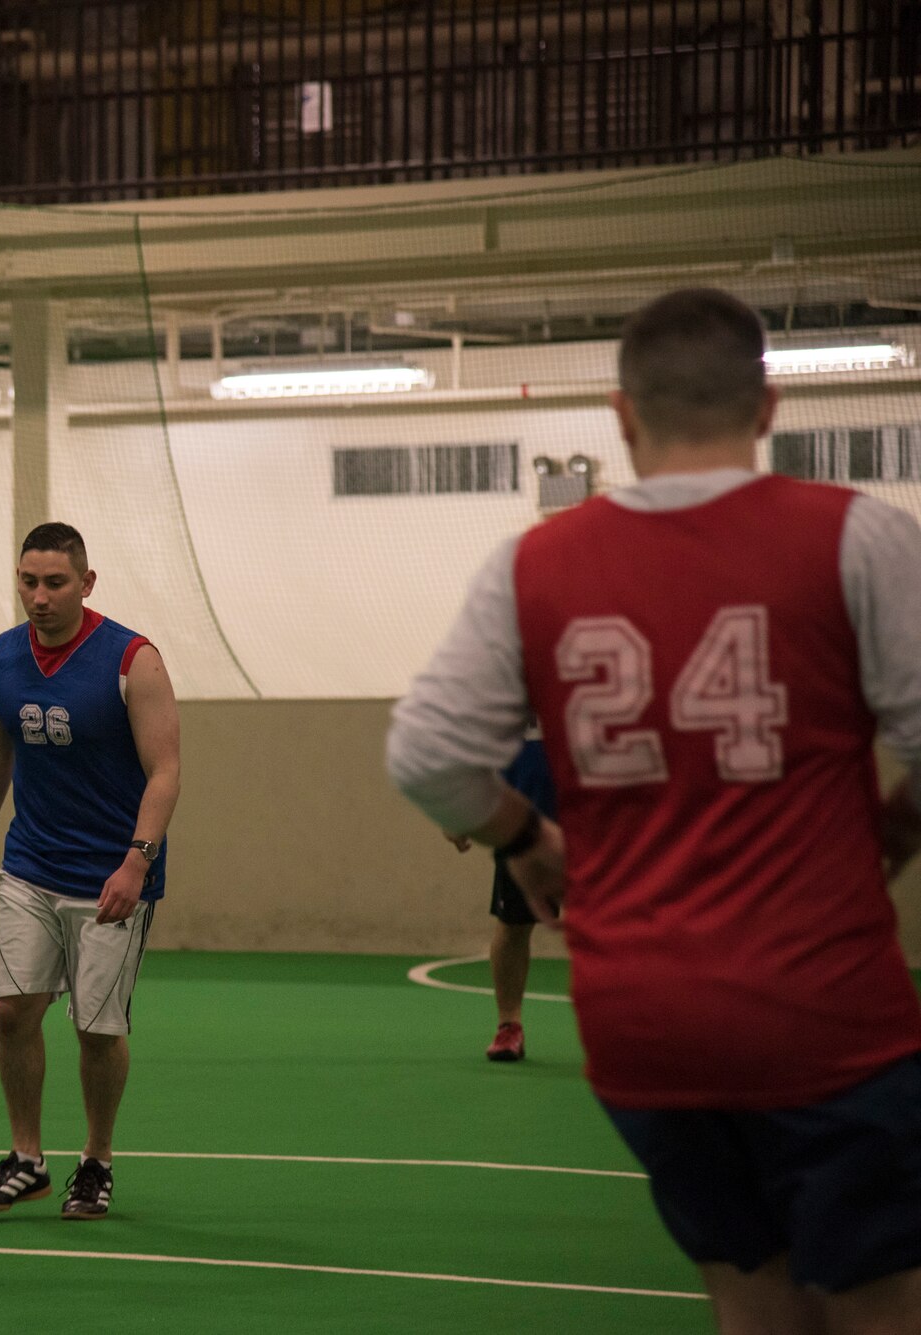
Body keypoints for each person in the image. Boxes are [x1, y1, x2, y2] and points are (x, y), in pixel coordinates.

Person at [387, 288, 921, 1332]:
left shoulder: (530, 562)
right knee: (879, 1304)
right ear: (765, 405)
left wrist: (528, 840)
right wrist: (890, 836)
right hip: (820, 1014)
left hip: (642, 1024)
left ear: (619, 415)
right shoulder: (854, 538)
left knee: (748, 1295)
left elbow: (427, 757)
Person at [0, 522, 181, 1222]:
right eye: (29, 580)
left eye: (55, 582)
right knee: (13, 1011)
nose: (40, 595)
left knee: (96, 1030)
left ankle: (97, 1159)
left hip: (111, 875)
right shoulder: (0, 659)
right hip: (30, 865)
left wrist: (135, 862)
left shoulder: (131, 659)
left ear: (87, 583)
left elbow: (165, 771)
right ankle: (27, 1158)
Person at [443, 734, 556, 1062]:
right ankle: (509, 1027)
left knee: (623, 921)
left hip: (596, 818)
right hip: (525, 822)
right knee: (514, 924)